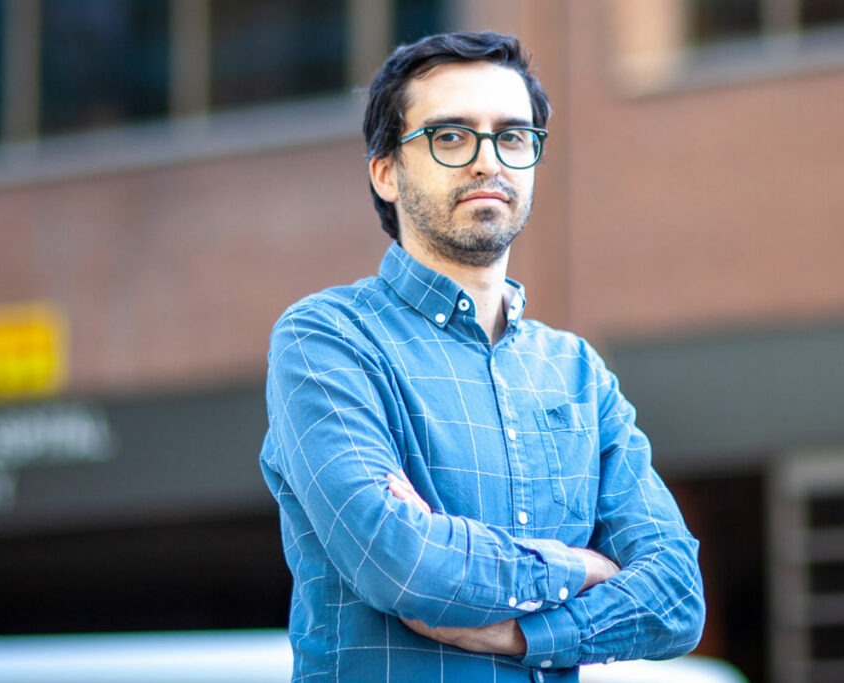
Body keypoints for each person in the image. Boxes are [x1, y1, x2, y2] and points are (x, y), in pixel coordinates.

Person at [260, 31, 705, 682]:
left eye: (512, 136)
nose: (486, 160)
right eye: (450, 136)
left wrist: (522, 635)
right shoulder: (327, 339)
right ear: (385, 170)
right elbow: (400, 560)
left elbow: (676, 598)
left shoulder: (577, 374)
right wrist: (579, 566)